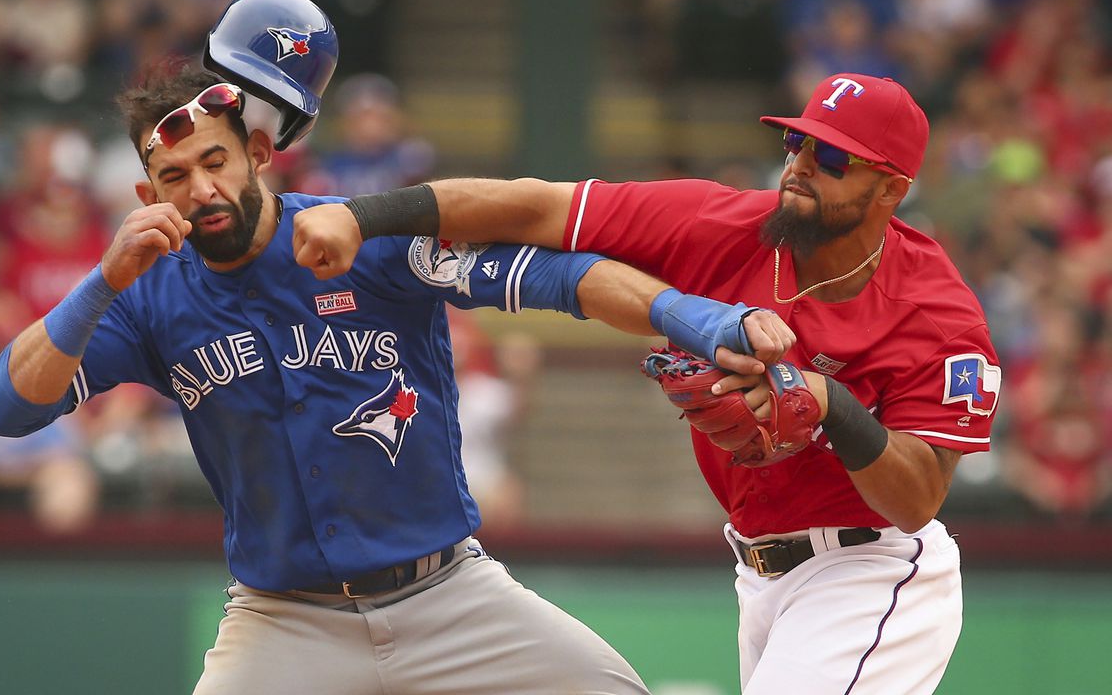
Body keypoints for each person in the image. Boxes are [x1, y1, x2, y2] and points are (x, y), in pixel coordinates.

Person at [0, 0, 798, 695]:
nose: (201, 190)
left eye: (216, 161)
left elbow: (559, 278)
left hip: (448, 597)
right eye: (173, 177)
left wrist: (693, 316)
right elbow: (8, 408)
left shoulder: (357, 239)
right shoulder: (144, 297)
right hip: (282, 620)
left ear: (260, 154)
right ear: (145, 192)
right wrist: (102, 280)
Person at [293, 73, 1002, 694]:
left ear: (892, 190)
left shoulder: (936, 314)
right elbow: (537, 207)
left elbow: (916, 501)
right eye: (797, 144)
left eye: (834, 157)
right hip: (761, 573)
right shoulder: (721, 224)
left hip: (872, 571)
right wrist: (363, 216)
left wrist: (830, 405)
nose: (802, 166)